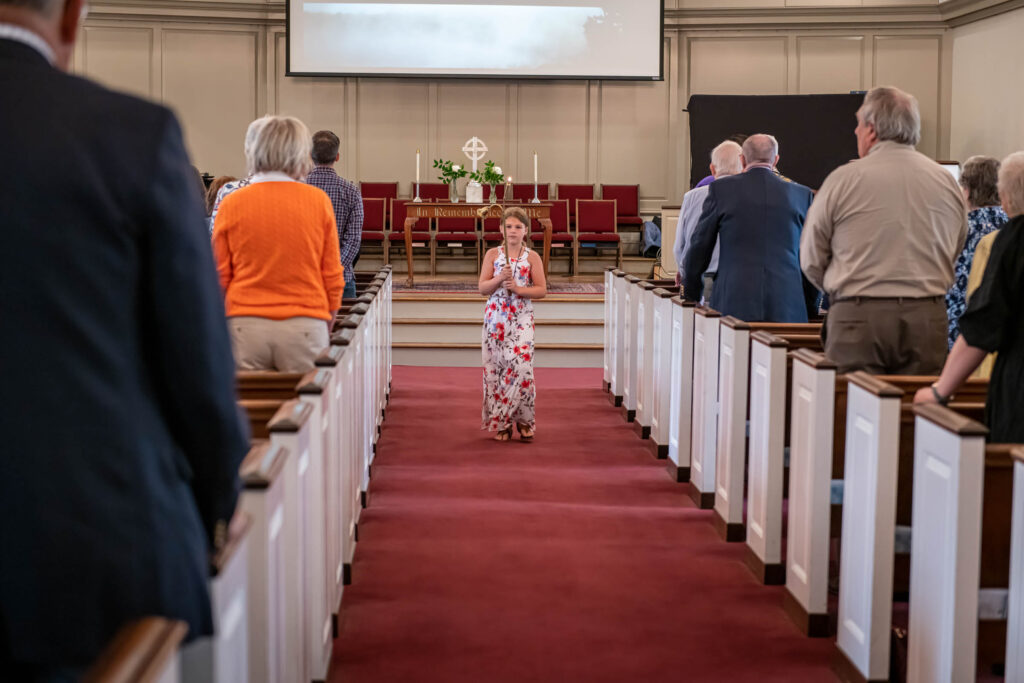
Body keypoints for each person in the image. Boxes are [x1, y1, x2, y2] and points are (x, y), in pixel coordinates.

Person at [0, 0, 249, 676]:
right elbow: (198, 365)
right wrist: (217, 510)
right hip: (86, 554)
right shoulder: (130, 136)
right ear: (74, 16)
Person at [801, 86, 967, 374]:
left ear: (872, 129)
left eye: (857, 125)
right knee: (916, 415)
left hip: (858, 316)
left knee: (851, 413)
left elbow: (812, 256)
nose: (855, 133)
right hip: (926, 318)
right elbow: (955, 245)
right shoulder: (947, 183)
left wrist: (845, 289)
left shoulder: (844, 179)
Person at [213, 115, 344, 372]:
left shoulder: (231, 202)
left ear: (253, 151)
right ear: (301, 153)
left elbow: (219, 277)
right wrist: (324, 325)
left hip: (244, 324)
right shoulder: (317, 201)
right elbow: (332, 274)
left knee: (249, 410)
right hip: (305, 322)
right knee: (307, 409)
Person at [914, 151, 1024, 442]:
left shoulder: (1004, 240)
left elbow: (984, 319)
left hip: (985, 361)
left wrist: (942, 389)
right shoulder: (1002, 230)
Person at [681, 134, 817, 322]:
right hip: (787, 304)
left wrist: (692, 297)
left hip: (733, 303)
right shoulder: (801, 195)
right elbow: (811, 258)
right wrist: (810, 307)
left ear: (743, 160)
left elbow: (698, 249)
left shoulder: (721, 191)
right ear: (776, 159)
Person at [478, 206, 547, 442]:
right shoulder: (492, 255)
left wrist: (517, 287)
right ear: (501, 229)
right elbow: (481, 288)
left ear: (525, 230)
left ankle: (525, 421)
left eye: (518, 226)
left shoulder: (532, 257)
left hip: (521, 316)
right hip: (496, 317)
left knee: (521, 368)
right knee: (497, 369)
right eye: (508, 226)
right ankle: (502, 423)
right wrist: (499, 278)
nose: (513, 231)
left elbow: (542, 290)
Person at [945, 155, 1008, 348]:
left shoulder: (956, 230)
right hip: (1004, 336)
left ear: (965, 191)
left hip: (959, 337)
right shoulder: (1013, 228)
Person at [673, 139, 743, 301]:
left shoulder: (692, 197)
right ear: (743, 166)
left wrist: (683, 272)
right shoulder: (750, 197)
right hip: (735, 282)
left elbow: (679, 246)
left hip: (699, 279)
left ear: (712, 169)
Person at [306, 130, 364, 300]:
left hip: (305, 279)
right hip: (341, 279)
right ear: (337, 157)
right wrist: (335, 268)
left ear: (309, 155)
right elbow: (353, 240)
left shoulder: (296, 188)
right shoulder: (351, 191)